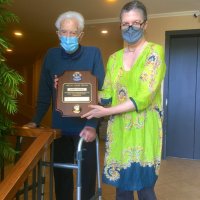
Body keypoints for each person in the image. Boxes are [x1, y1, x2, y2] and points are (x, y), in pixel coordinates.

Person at [82, 1, 166, 200]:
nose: (130, 27)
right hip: (119, 130)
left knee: (145, 189)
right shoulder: (114, 58)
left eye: (135, 22)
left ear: (145, 24)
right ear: (120, 25)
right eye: (125, 23)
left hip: (144, 130)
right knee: (122, 190)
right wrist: (72, 90)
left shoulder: (155, 52)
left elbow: (144, 97)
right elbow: (107, 94)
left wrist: (106, 112)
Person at [24, 11, 105, 200]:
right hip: (59, 128)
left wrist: (92, 126)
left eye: (73, 33)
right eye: (64, 32)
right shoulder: (51, 56)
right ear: (58, 33)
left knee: (86, 179)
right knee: (61, 178)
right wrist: (35, 121)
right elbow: (44, 93)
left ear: (81, 35)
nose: (68, 37)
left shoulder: (93, 53)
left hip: (86, 127)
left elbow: (100, 92)